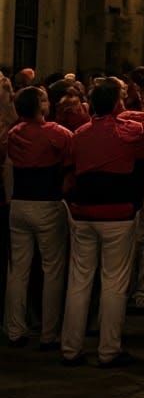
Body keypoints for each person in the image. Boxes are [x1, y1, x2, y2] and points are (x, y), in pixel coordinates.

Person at [60, 79, 144, 368]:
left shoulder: (79, 135)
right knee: (114, 282)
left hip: (83, 212)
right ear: (117, 104)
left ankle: (70, 347)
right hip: (116, 212)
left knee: (79, 281)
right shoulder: (125, 132)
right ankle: (108, 348)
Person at [5, 85, 72, 349]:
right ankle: (48, 332)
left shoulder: (13, 134)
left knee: (18, 270)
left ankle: (14, 329)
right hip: (47, 203)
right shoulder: (56, 133)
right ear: (40, 106)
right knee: (52, 270)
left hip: (19, 204)